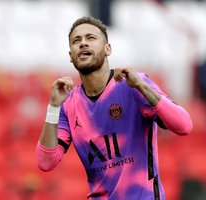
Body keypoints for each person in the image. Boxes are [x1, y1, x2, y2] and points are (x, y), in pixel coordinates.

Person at [36, 16, 193, 200]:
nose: (83, 43)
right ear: (71, 56)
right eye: (76, 41)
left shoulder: (133, 85)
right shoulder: (68, 104)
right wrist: (53, 106)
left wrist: (141, 87)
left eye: (91, 38)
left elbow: (184, 126)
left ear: (107, 49)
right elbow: (45, 162)